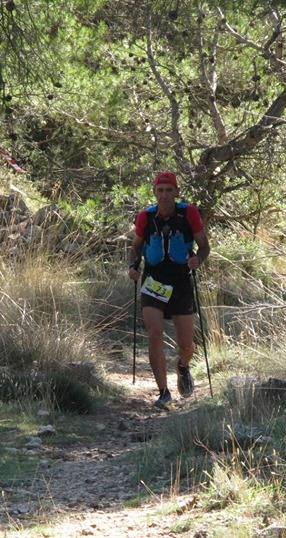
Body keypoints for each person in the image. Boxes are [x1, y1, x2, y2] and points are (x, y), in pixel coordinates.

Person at [127, 171, 210, 409]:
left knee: (187, 345)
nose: (164, 195)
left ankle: (183, 367)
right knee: (155, 334)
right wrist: (133, 266)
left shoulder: (188, 214)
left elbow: (204, 246)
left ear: (176, 192)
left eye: (168, 190)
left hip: (181, 282)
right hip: (153, 281)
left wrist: (198, 260)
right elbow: (135, 247)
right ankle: (163, 392)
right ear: (155, 192)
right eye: (160, 190)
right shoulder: (146, 216)